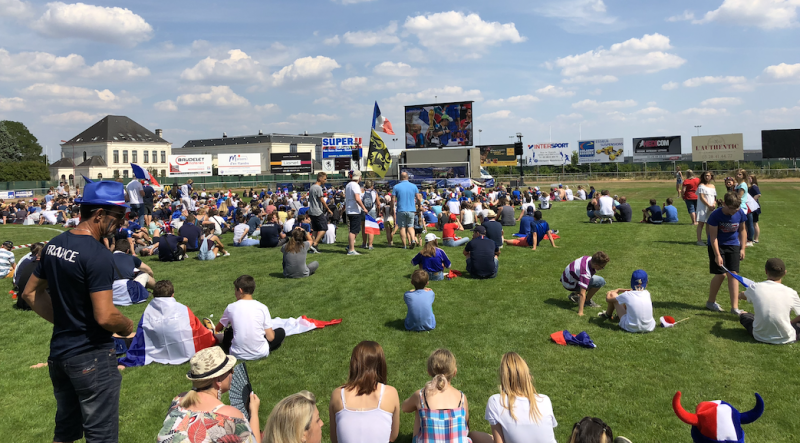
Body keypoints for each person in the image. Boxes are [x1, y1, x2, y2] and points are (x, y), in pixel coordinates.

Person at [22, 181, 135, 443]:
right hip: (91, 357)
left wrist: (65, 321)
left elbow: (30, 293)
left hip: (60, 355)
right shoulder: (98, 255)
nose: (122, 222)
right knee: (101, 436)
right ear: (99, 215)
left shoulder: (55, 243)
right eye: (119, 216)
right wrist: (126, 326)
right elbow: (106, 316)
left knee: (65, 433)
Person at [156, 347, 261, 443]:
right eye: (230, 370)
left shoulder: (178, 400)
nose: (232, 373)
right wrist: (254, 412)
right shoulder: (229, 417)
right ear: (218, 380)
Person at [118, 280, 219, 367]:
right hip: (183, 349)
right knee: (208, 333)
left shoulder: (148, 313)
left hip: (157, 348)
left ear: (153, 295)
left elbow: (142, 335)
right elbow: (197, 329)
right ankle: (211, 330)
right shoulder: (183, 309)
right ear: (173, 294)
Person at [469, 352, 558, 443]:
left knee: (472, 436)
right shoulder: (544, 400)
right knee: (474, 435)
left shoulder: (496, 401)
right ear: (528, 377)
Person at [328, 341, 401, 443]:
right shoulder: (391, 393)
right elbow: (393, 436)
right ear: (381, 364)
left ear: (354, 364)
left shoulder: (337, 395)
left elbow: (335, 439)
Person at [402, 349, 471, 442]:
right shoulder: (462, 397)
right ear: (454, 372)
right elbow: (466, 425)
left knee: (419, 410)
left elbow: (404, 408)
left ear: (429, 372)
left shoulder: (421, 395)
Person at [214, 275, 286, 360]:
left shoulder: (231, 307)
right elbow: (271, 337)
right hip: (261, 352)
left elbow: (218, 329)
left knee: (229, 332)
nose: (234, 293)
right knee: (281, 332)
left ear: (240, 290)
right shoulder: (262, 307)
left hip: (236, 354)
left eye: (235, 290)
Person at [737, 258, 800, 344]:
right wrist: (791, 322)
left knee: (744, 314)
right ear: (784, 273)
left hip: (760, 336)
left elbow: (743, 296)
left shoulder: (755, 288)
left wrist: (740, 295)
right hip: (786, 338)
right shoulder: (792, 293)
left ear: (766, 271)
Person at [705, 192, 748, 315]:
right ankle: (710, 302)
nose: (734, 211)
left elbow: (743, 230)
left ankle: (734, 308)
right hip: (717, 245)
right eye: (731, 209)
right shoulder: (715, 215)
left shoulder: (739, 213)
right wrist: (717, 255)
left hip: (734, 244)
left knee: (733, 274)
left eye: (736, 209)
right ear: (724, 204)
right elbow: (713, 237)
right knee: (721, 274)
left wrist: (742, 248)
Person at [562, 251, 610, 316]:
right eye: (602, 267)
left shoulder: (588, 258)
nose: (601, 269)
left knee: (595, 280)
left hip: (567, 279)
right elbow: (582, 293)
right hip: (570, 284)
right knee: (600, 281)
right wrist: (580, 312)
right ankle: (586, 301)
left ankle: (575, 295)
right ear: (596, 265)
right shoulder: (585, 273)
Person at [111, 241, 155, 306]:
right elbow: (149, 270)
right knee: (144, 275)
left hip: (110, 294)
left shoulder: (106, 258)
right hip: (129, 294)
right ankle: (157, 289)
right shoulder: (131, 258)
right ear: (127, 250)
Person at [393, 172, 422, 249]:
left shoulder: (396, 187)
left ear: (400, 178)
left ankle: (404, 245)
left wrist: (392, 207)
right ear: (407, 177)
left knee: (402, 227)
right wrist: (419, 206)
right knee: (410, 226)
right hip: (411, 209)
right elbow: (418, 198)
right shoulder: (414, 186)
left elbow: (393, 199)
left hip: (401, 209)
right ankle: (413, 239)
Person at [346, 171, 370, 255]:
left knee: (356, 229)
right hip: (354, 210)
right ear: (359, 177)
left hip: (349, 209)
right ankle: (351, 250)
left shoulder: (348, 185)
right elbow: (357, 198)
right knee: (353, 230)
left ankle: (350, 246)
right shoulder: (355, 185)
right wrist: (364, 208)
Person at [309, 172, 333, 253]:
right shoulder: (318, 188)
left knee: (315, 229)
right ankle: (315, 244)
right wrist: (328, 209)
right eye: (324, 179)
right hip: (317, 211)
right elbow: (322, 200)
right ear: (320, 179)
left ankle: (312, 247)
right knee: (324, 228)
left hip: (311, 211)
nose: (325, 181)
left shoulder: (312, 187)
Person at [696, 171, 717, 246]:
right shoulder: (701, 186)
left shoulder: (713, 186)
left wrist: (713, 204)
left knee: (709, 223)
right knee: (701, 223)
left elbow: (714, 198)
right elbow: (702, 198)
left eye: (708, 175)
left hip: (711, 208)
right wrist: (708, 205)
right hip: (703, 207)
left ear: (711, 177)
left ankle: (709, 240)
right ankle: (699, 240)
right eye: (706, 175)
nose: (707, 177)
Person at [734, 168, 755, 247]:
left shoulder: (743, 185)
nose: (737, 175)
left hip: (741, 207)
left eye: (740, 174)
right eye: (737, 174)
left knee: (742, 226)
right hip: (738, 206)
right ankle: (741, 240)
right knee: (739, 226)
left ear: (743, 176)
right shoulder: (738, 184)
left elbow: (739, 196)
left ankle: (745, 241)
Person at [360, 180, 380, 250]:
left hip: (363, 210)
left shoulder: (362, 192)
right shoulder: (374, 192)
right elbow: (378, 203)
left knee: (363, 227)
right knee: (371, 227)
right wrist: (378, 211)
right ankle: (370, 245)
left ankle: (364, 243)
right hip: (372, 210)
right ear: (372, 186)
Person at [748, 175, 762, 243]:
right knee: (753, 223)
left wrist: (753, 200)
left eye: (750, 178)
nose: (749, 179)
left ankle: (756, 239)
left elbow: (759, 194)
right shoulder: (751, 186)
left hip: (754, 207)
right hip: (752, 206)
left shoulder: (754, 186)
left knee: (755, 223)